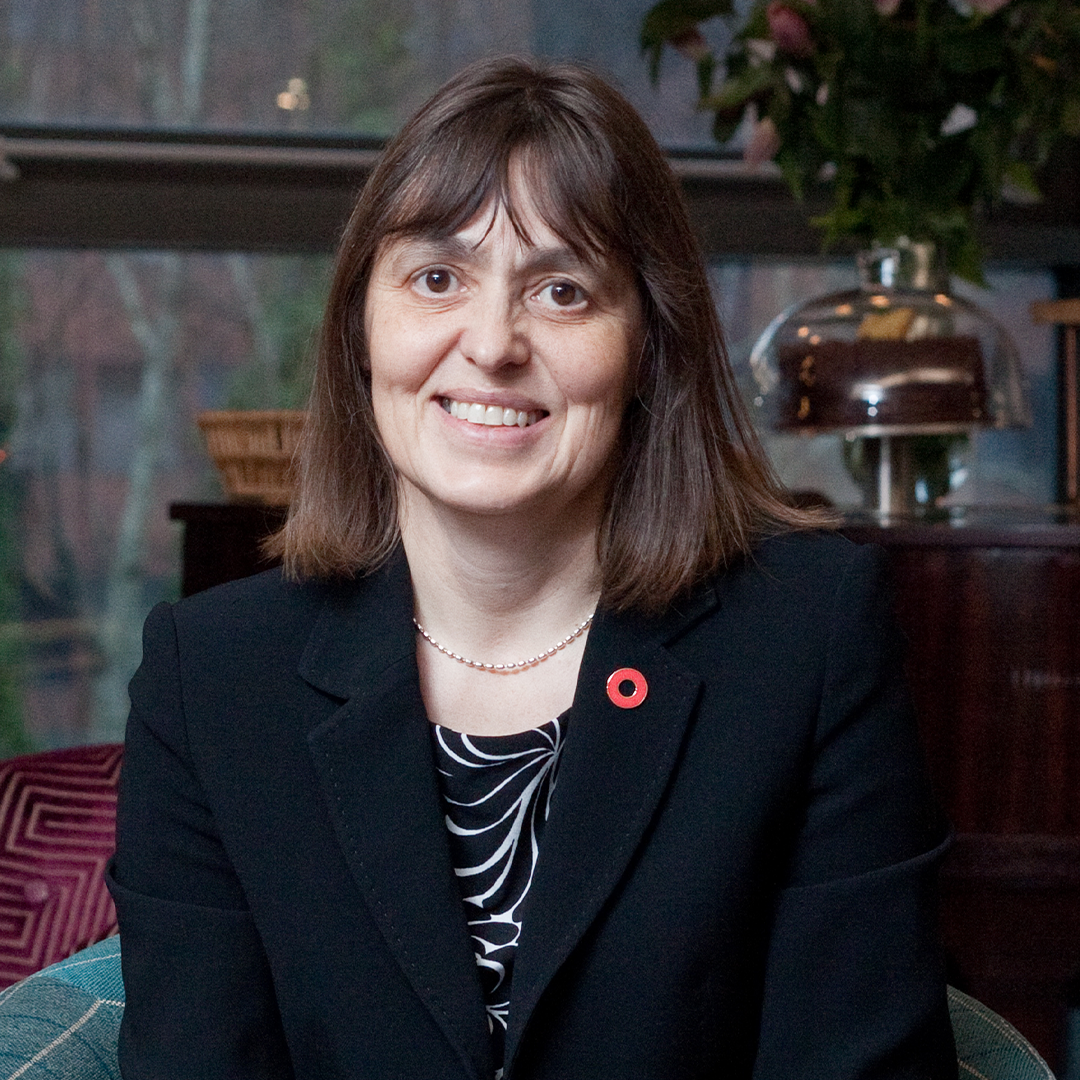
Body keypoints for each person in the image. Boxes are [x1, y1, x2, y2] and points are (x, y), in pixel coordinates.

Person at [108, 56, 956, 1080]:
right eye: (437, 278)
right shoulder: (211, 677)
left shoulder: (805, 640)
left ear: (648, 344)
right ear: (361, 328)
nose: (492, 345)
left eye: (562, 290)